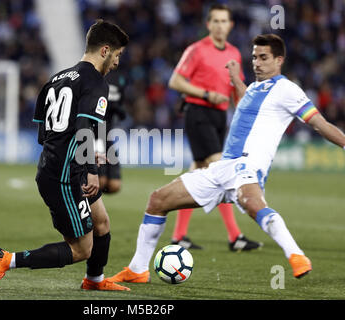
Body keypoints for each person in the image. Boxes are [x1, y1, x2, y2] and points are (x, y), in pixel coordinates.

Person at [109, 34, 345, 284]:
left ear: (279, 60)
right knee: (157, 200)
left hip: (247, 167)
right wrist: (235, 79)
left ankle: (296, 255)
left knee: (253, 204)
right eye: (254, 57)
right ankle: (137, 269)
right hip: (222, 168)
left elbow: (320, 124)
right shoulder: (255, 88)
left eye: (263, 58)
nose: (256, 63)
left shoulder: (287, 90)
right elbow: (246, 105)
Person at [0, 19, 130, 291]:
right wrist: (91, 169)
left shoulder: (56, 79)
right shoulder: (95, 82)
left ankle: (94, 281)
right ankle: (7, 260)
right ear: (105, 50)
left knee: (102, 223)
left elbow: (43, 134)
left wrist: (76, 155)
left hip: (60, 167)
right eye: (118, 55)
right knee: (82, 249)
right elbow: (85, 126)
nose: (118, 62)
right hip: (65, 177)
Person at [168, 3, 261, 251]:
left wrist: (244, 120)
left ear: (230, 25)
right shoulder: (196, 50)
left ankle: (178, 236)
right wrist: (207, 94)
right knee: (222, 170)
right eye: (216, 21)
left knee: (197, 173)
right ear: (209, 25)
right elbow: (175, 81)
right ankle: (235, 237)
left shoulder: (234, 53)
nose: (220, 25)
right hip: (198, 112)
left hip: (220, 118)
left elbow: (236, 90)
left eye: (224, 21)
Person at [96, 71, 127, 194]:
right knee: (100, 181)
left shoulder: (119, 77)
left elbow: (121, 107)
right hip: (92, 136)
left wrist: (118, 109)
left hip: (107, 135)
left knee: (114, 185)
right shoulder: (93, 75)